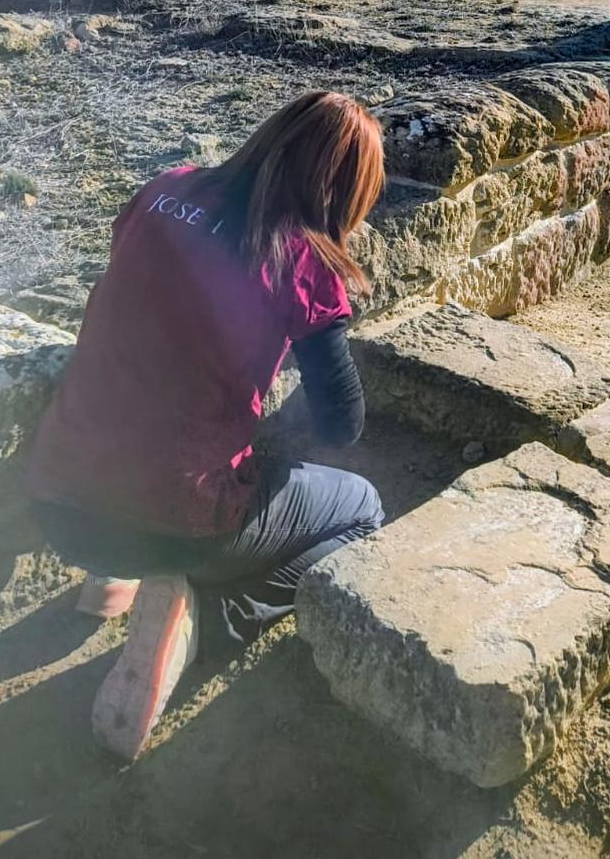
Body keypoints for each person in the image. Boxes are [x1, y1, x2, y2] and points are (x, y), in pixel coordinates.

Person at [28, 90, 386, 761]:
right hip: (172, 520)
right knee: (362, 507)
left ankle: (109, 577)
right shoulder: (301, 257)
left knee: (142, 427)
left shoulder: (164, 190)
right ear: (344, 192)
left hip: (57, 496)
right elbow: (342, 422)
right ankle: (205, 620)